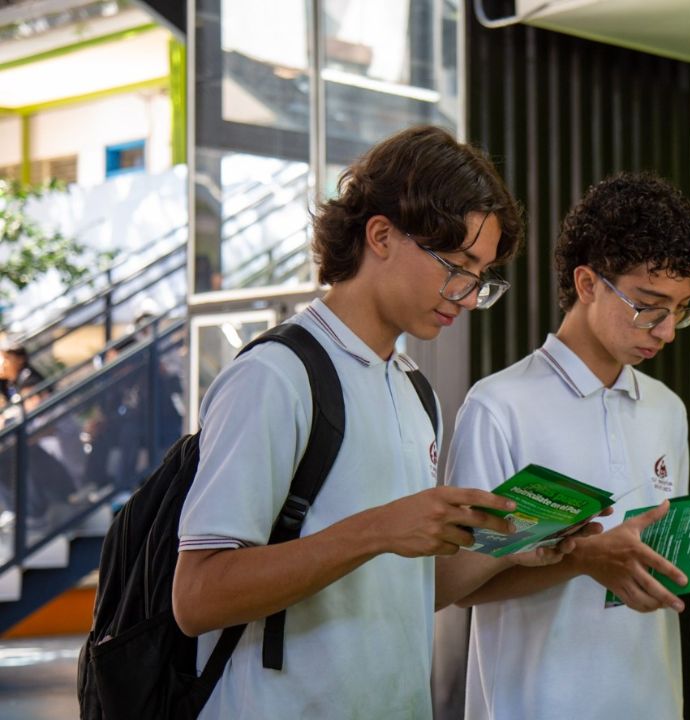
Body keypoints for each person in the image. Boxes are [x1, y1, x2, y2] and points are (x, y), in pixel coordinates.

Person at [172, 126, 541, 718]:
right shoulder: (276, 376)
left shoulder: (416, 390)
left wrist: (513, 547)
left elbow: (413, 591)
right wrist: (376, 530)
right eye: (457, 265)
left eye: (482, 276)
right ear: (381, 235)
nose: (468, 295)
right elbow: (196, 596)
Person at [438, 172, 690, 719]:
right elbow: (458, 584)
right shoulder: (499, 406)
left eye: (682, 310)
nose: (666, 330)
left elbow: (647, 555)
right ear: (587, 283)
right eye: (649, 305)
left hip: (652, 701)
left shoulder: (667, 408)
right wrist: (580, 560)